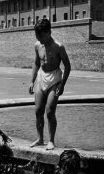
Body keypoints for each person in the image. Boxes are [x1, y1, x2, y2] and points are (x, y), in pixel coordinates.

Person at [28, 19, 71, 150]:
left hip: (54, 78)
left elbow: (68, 67)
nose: (39, 38)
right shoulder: (37, 46)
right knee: (38, 111)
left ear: (49, 32)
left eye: (41, 36)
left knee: (50, 111)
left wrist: (62, 85)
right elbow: (36, 63)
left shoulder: (59, 46)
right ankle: (40, 139)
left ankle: (51, 140)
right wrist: (32, 81)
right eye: (37, 36)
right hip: (41, 77)